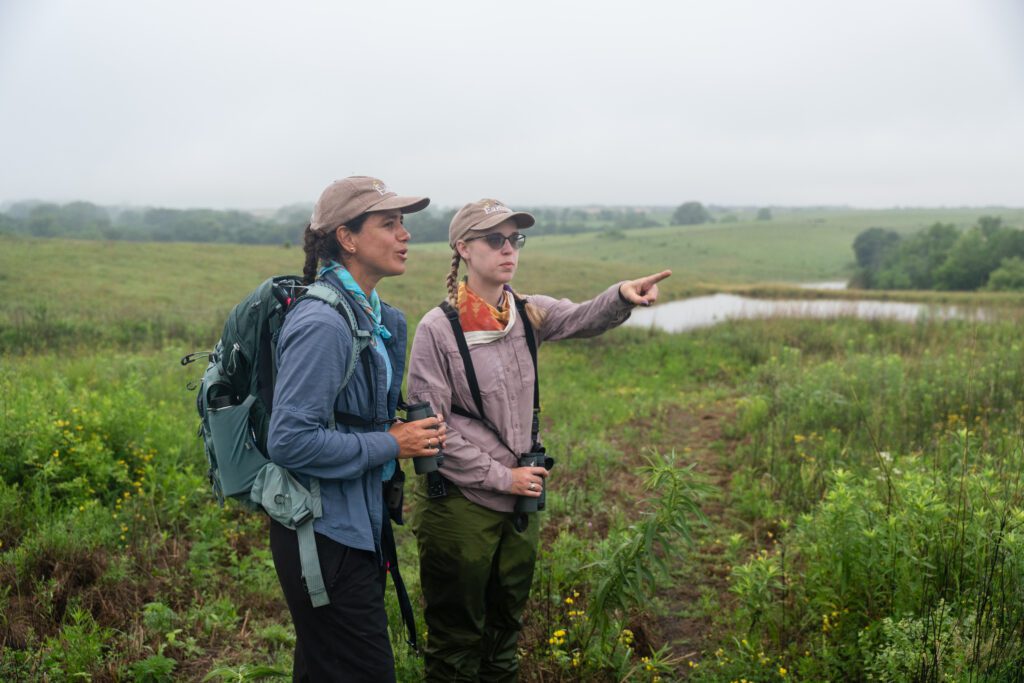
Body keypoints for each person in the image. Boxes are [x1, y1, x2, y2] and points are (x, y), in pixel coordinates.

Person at [407, 198, 671, 681]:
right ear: (463, 248)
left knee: (506, 629)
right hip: (460, 503)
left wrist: (621, 296)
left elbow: (583, 316)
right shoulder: (437, 329)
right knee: (457, 639)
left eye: (515, 239)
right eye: (495, 239)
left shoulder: (529, 312)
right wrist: (503, 477)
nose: (509, 249)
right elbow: (431, 434)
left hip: (519, 497)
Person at [267, 176, 447, 682]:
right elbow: (290, 440)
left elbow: (341, 418)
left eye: (403, 223)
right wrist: (392, 442)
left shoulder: (373, 316)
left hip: (352, 528)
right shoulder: (324, 323)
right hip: (322, 536)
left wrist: (395, 430)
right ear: (347, 237)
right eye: (389, 224)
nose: (404, 234)